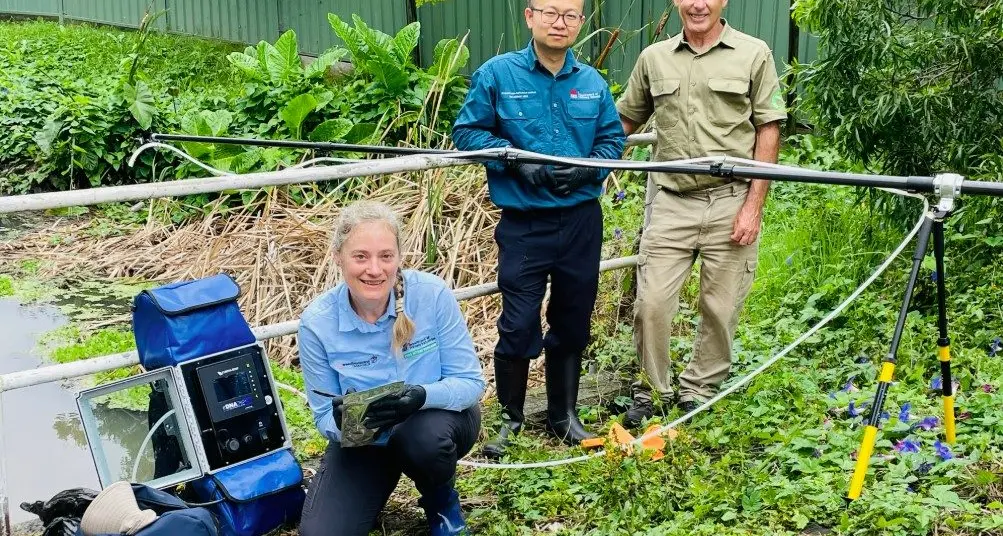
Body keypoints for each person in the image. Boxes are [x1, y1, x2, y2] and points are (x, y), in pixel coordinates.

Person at [451, 0, 626, 457]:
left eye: (570, 15)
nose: (560, 23)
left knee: (572, 319)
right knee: (518, 322)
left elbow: (612, 141)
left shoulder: (591, 83)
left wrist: (589, 170)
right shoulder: (497, 75)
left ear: (580, 22)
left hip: (582, 223)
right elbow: (467, 133)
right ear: (530, 16)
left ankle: (562, 415)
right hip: (525, 223)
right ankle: (510, 419)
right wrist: (511, 156)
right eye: (550, 12)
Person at [615, 0, 787, 424]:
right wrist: (582, 165)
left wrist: (753, 207)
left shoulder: (753, 52)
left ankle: (698, 390)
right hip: (672, 202)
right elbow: (624, 120)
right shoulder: (653, 58)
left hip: (732, 198)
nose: (698, 4)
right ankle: (651, 390)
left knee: (721, 307)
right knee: (651, 303)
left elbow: (769, 128)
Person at [297, 200, 485, 536]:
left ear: (399, 257)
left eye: (386, 256)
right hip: (367, 440)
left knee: (421, 438)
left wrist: (421, 396)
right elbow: (323, 415)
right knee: (321, 533)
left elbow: (470, 383)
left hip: (435, 423)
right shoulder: (317, 324)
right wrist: (342, 424)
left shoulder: (432, 295)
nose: (374, 269)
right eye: (360, 257)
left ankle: (442, 505)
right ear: (338, 257)